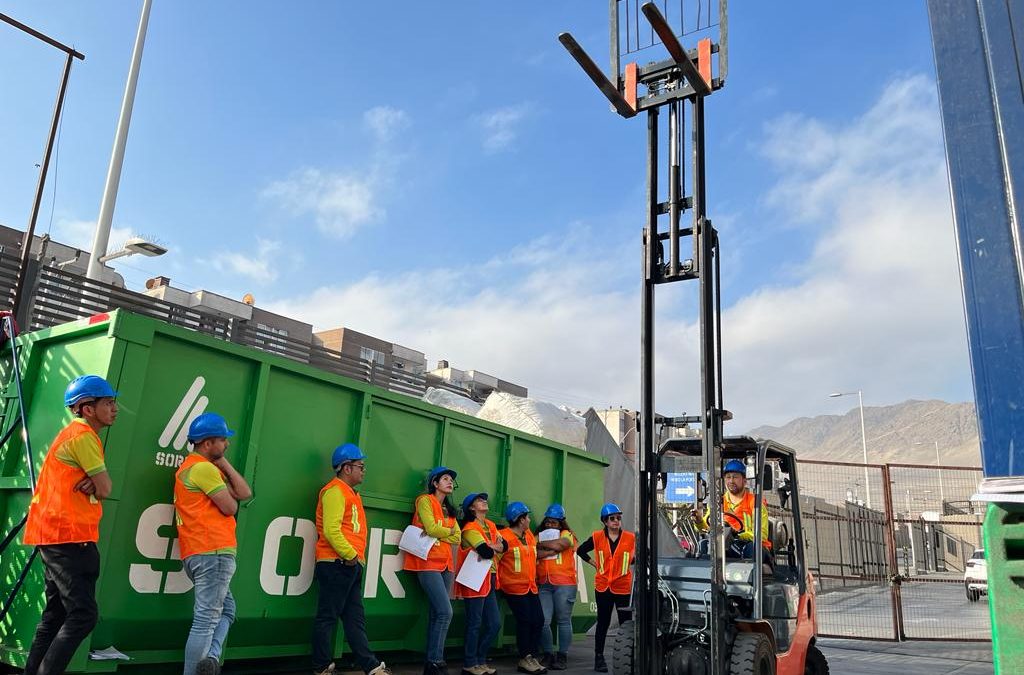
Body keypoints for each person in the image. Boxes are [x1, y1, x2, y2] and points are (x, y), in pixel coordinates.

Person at [23, 376, 118, 675]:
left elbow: (98, 485)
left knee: (56, 616)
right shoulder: (83, 436)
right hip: (68, 536)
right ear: (86, 409)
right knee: (83, 615)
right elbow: (105, 488)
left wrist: (97, 483)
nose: (115, 408)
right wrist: (99, 484)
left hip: (54, 535)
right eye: (108, 403)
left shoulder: (72, 435)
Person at [175, 412, 252, 675]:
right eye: (222, 440)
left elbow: (244, 492)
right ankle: (198, 669)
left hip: (197, 552)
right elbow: (232, 507)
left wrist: (223, 463)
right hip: (213, 552)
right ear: (207, 443)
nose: (227, 444)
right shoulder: (204, 469)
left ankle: (210, 661)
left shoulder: (193, 468)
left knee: (227, 610)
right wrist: (217, 465)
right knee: (205, 621)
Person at [311, 443, 392, 675]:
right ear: (346, 468)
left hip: (349, 564)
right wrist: (350, 557)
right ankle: (321, 667)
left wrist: (354, 560)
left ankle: (371, 666)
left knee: (355, 618)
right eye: (360, 466)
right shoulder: (335, 491)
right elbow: (331, 529)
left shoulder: (351, 493)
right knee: (327, 617)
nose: (363, 470)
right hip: (337, 562)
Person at [403, 466, 462, 675]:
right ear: (435, 483)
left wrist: (442, 533)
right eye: (445, 479)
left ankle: (431, 663)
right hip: (427, 563)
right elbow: (430, 528)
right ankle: (436, 660)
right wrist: (447, 532)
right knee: (445, 612)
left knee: (438, 613)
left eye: (451, 480)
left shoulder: (451, 510)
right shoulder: (425, 501)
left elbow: (458, 537)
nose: (449, 482)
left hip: (446, 564)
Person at [576, 503, 634, 673]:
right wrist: (594, 563)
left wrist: (630, 561)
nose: (616, 521)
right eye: (612, 518)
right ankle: (599, 658)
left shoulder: (630, 538)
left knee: (626, 623)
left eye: (618, 518)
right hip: (603, 587)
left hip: (622, 586)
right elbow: (580, 550)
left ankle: (629, 657)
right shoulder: (597, 537)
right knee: (603, 622)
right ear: (605, 522)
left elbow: (638, 556)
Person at [454, 492, 505, 675]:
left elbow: (504, 546)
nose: (483, 501)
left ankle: (480, 659)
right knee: (474, 622)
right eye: (478, 500)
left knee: (494, 624)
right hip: (474, 577)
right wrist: (493, 546)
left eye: (483, 499)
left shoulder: (490, 525)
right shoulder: (469, 528)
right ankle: (469, 663)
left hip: (489, 576)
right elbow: (486, 552)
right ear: (471, 508)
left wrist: (492, 546)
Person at [496, 502, 547, 675]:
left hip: (530, 586)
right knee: (525, 621)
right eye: (527, 517)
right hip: (513, 586)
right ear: (519, 519)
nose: (529, 520)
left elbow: (531, 556)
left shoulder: (529, 536)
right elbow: (495, 559)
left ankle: (531, 656)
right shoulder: (503, 536)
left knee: (539, 620)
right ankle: (524, 658)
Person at [695, 459, 770, 558]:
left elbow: (762, 535)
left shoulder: (755, 502)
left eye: (735, 477)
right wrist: (699, 521)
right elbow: (707, 528)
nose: (731, 481)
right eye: (728, 477)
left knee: (752, 548)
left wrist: (737, 535)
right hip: (724, 545)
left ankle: (750, 573)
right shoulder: (718, 502)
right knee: (703, 544)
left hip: (748, 547)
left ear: (744, 481)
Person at [535, 504, 577, 671]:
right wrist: (548, 549)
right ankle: (548, 654)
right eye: (548, 522)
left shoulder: (567, 534)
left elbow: (562, 545)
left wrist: (542, 544)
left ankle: (562, 655)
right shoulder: (537, 535)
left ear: (561, 524)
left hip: (565, 583)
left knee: (563, 621)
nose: (550, 525)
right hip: (544, 583)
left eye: (554, 522)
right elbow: (534, 552)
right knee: (543, 621)